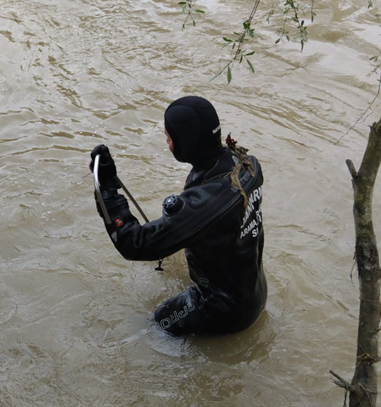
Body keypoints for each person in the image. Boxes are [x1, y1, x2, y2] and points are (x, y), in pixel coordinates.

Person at [89, 96, 266, 336]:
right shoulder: (247, 165)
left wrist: (106, 187)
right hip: (255, 291)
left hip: (224, 310)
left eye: (169, 137)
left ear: (186, 144)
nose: (167, 143)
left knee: (153, 328)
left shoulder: (201, 206)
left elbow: (134, 243)